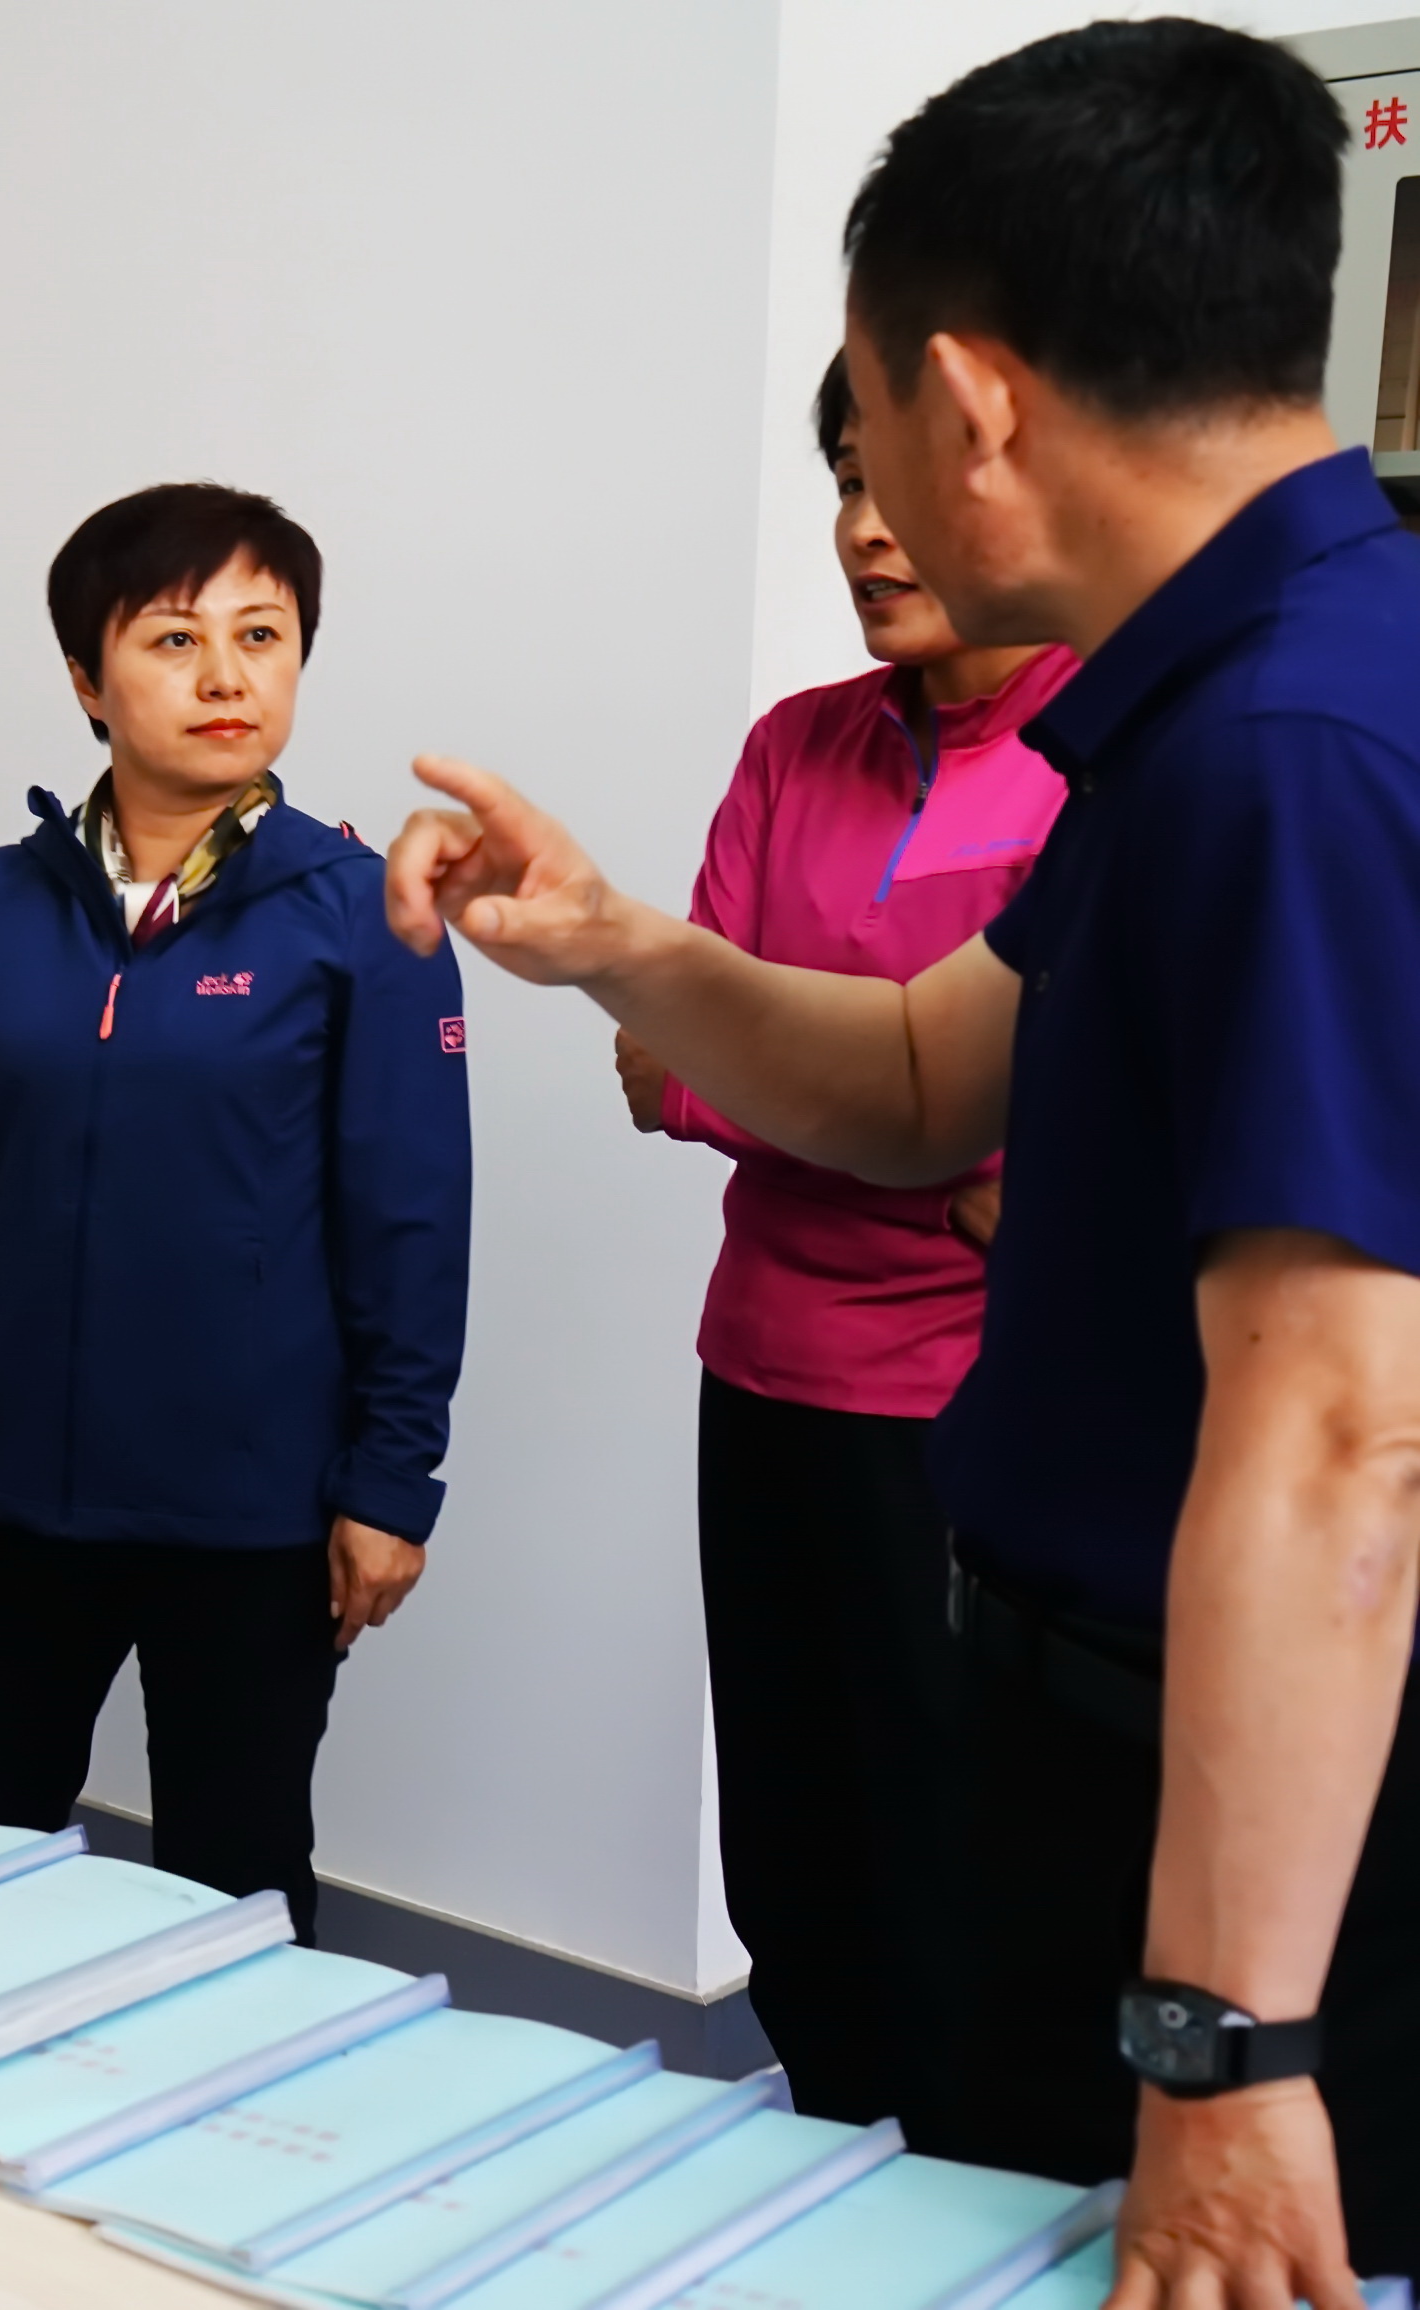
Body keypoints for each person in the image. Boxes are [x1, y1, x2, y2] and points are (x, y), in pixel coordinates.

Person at [386, 23, 1417, 2294]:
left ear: (963, 401)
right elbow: (926, 1072)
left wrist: (1223, 2048)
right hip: (1073, 1710)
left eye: (858, 415)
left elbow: (1345, 1432)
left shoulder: (1292, 742)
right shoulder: (1222, 690)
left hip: (1231, 1812)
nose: (863, 491)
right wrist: (615, 942)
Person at [0, 485, 470, 1939]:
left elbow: (412, 1220)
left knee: (235, 1900)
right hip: (9, 1500)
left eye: (262, 635)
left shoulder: (365, 913)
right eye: (175, 638)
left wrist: (392, 1482)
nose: (225, 675)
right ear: (87, 678)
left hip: (254, 1518)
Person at [615, 352, 1074, 2132]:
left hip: (968, 1399)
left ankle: (959, 2201)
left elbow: (1072, 1122)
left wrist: (774, 1062)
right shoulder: (792, 742)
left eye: (899, 483)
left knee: (952, 1863)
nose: (865, 529)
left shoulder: (1099, 755)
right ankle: (821, 2166)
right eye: (842, 480)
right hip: (762, 1368)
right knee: (791, 1848)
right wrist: (904, 1112)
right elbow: (668, 1060)